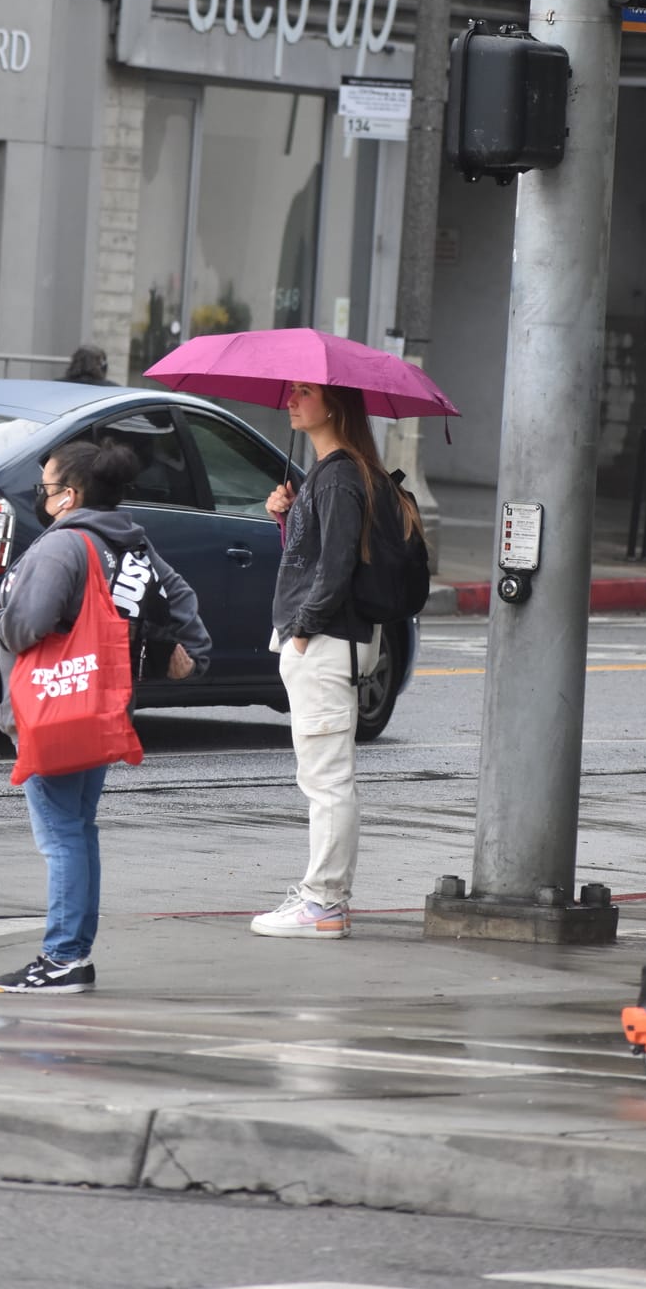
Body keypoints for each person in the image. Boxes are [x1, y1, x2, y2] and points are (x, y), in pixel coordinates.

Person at [0, 439, 210, 993]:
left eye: (47, 486)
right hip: (100, 706)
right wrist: (193, 656)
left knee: (61, 837)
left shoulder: (63, 546)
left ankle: (63, 957)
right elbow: (179, 597)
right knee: (78, 831)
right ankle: (72, 953)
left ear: (69, 496)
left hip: (54, 711)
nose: (41, 495)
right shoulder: (132, 544)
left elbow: (26, 627)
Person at [251, 382, 422, 941]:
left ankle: (323, 903)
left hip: (326, 642)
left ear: (335, 404)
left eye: (305, 392)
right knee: (323, 777)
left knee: (327, 781)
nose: (291, 401)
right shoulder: (332, 475)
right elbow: (314, 557)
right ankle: (323, 899)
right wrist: (286, 517)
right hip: (327, 641)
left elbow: (338, 565)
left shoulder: (340, 477)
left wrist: (304, 627)